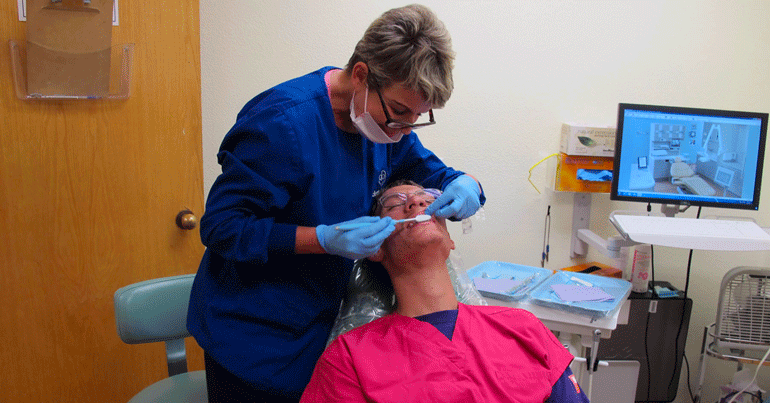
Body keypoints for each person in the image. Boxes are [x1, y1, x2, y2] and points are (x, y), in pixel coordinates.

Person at [186, 5, 485, 402]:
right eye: (399, 113)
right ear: (361, 74)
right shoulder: (281, 125)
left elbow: (422, 165)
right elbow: (223, 228)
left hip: (321, 326)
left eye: (417, 117)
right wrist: (322, 239)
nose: (404, 129)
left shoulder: (382, 121)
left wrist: (464, 183)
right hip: (254, 335)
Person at [300, 181, 590, 402]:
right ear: (374, 249)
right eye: (394, 204)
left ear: (450, 239)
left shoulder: (522, 327)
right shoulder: (349, 358)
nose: (415, 202)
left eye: (428, 198)